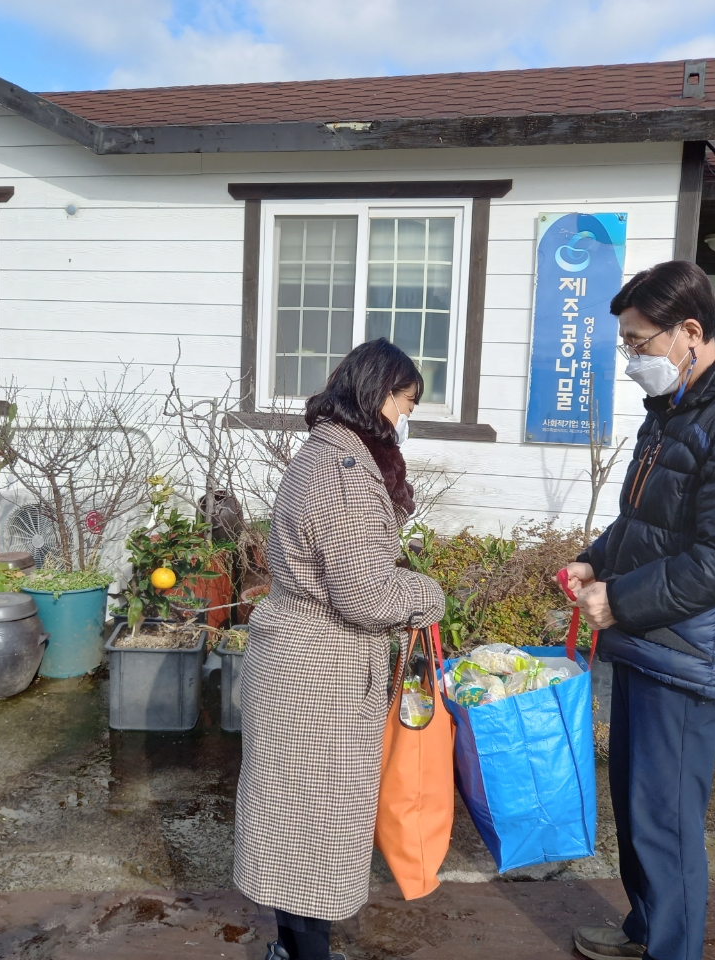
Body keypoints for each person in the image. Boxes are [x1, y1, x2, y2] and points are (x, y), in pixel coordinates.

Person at [568, 261, 715, 960]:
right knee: (639, 814)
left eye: (639, 344)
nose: (632, 359)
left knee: (667, 823)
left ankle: (672, 948)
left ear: (690, 333)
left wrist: (622, 599)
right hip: (650, 638)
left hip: (688, 652)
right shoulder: (676, 409)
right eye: (627, 345)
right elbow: (645, 519)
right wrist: (597, 561)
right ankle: (645, 929)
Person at [233, 339, 445, 960]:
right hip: (319, 675)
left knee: (292, 826)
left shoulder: (323, 452)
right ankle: (307, 956)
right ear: (378, 394)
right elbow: (363, 594)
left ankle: (290, 951)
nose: (406, 417)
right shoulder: (346, 473)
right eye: (405, 404)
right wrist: (426, 594)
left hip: (297, 662)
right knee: (313, 833)